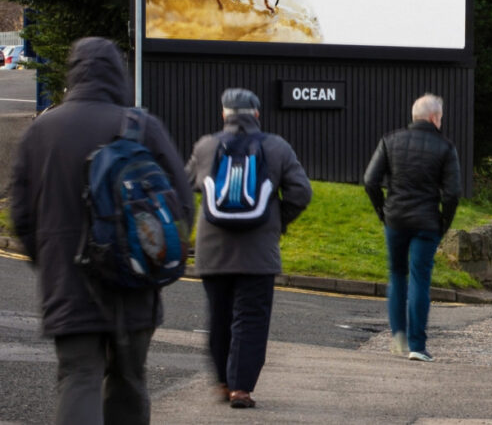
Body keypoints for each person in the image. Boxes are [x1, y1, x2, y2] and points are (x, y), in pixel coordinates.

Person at [8, 37, 193, 425]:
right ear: (117, 75)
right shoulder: (141, 126)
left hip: (69, 282)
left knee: (79, 377)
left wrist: (53, 260)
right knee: (128, 379)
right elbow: (182, 207)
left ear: (74, 74)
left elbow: (22, 217)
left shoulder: (41, 131)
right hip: (135, 281)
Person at [185, 88, 312, 408]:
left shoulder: (206, 146)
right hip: (258, 253)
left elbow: (184, 184)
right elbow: (301, 192)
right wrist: (277, 221)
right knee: (251, 318)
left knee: (220, 315)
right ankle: (242, 388)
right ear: (256, 114)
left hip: (213, 252)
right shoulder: (276, 147)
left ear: (224, 115)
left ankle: (222, 383)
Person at [364, 93, 462, 362]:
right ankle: (417, 346)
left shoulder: (390, 140)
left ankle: (398, 335)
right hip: (427, 222)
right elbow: (453, 194)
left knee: (397, 274)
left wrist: (383, 212)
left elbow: (370, 181)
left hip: (395, 219)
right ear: (433, 118)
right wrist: (443, 223)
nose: (441, 122)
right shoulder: (445, 147)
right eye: (440, 117)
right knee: (420, 278)